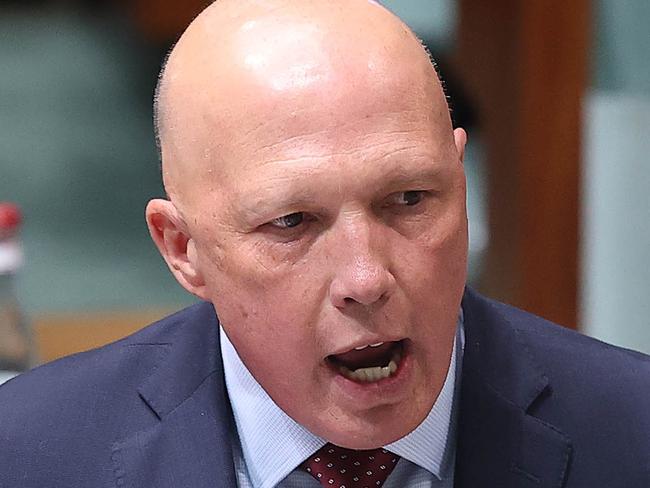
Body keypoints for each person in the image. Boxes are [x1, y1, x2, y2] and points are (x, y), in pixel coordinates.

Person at [0, 1, 648, 487]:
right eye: (292, 223)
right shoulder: (26, 453)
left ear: (459, 177)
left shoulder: (633, 432)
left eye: (410, 200)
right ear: (182, 248)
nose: (366, 279)